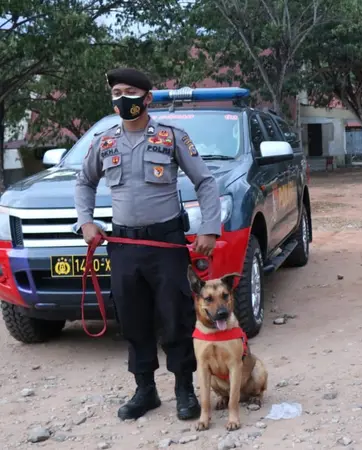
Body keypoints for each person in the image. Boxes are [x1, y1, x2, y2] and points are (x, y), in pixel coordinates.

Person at [74, 68, 222, 421]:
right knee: (133, 317)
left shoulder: (172, 138)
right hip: (124, 245)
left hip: (166, 244)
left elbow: (205, 182)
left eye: (129, 91)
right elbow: (84, 183)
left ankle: (184, 388)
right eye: (115, 92)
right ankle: (145, 390)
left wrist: (210, 229)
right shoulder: (104, 141)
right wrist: (86, 221)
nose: (121, 98)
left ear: (147, 98)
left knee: (175, 316)